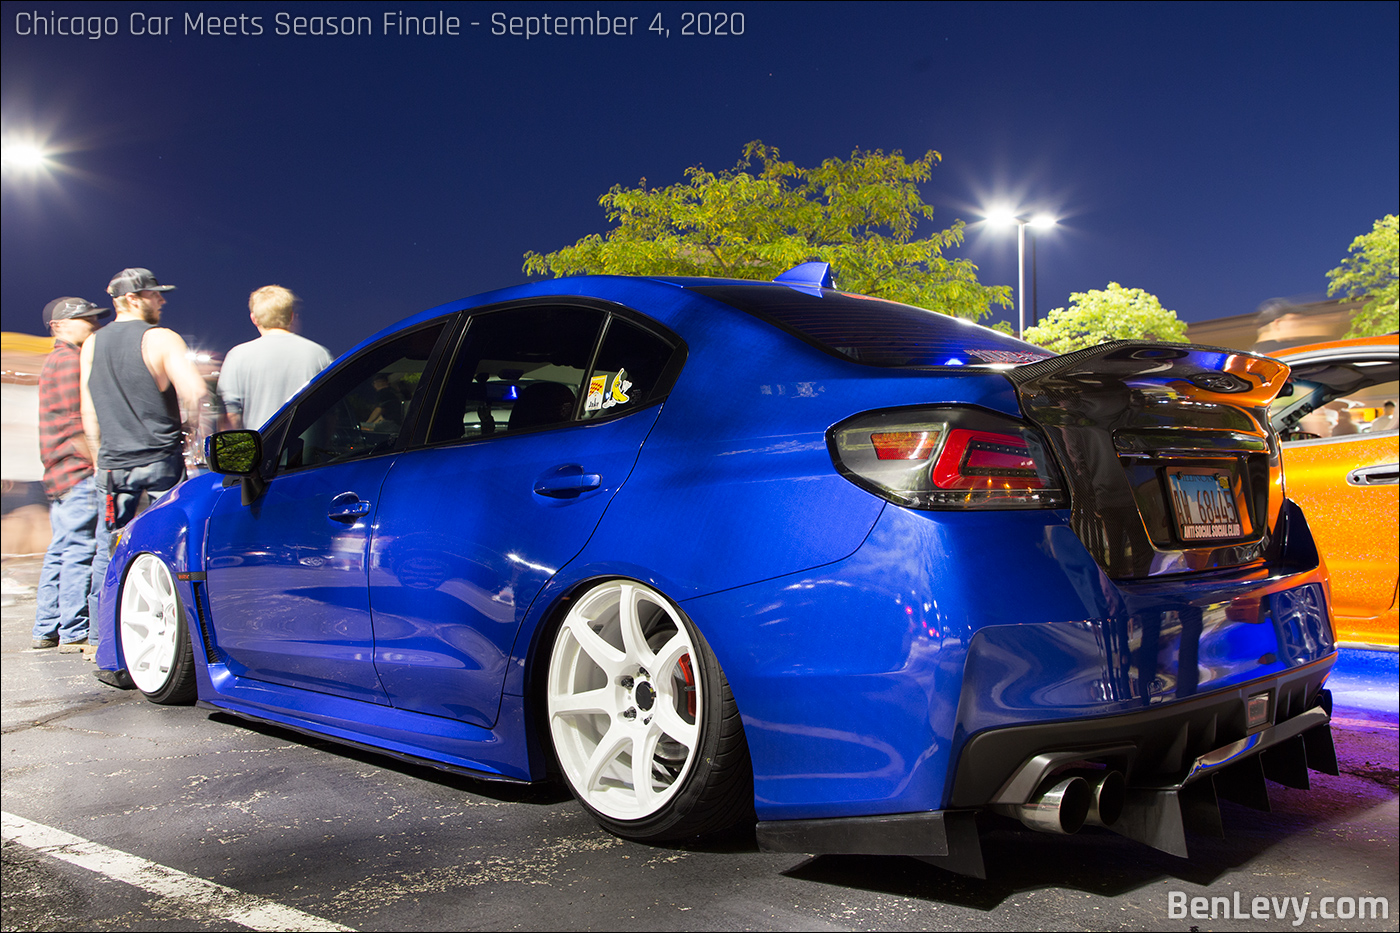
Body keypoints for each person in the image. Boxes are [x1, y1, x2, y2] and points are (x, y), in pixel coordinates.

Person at [82, 268, 207, 688]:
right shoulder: (160, 339)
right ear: (133, 298)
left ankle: (108, 653)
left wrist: (102, 455)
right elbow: (195, 391)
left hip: (113, 468)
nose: (162, 302)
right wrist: (193, 433)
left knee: (109, 553)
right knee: (165, 553)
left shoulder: (92, 344)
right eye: (156, 294)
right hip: (158, 460)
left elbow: (89, 412)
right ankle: (167, 651)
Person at [33, 298, 110, 653]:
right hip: (76, 469)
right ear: (59, 325)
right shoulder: (69, 362)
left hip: (57, 472)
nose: (92, 326)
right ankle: (74, 630)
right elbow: (74, 421)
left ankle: (45, 627)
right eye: (85, 320)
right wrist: (95, 461)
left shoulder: (54, 361)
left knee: (60, 549)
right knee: (80, 549)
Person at [217, 285, 333, 431]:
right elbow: (330, 413)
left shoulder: (237, 356)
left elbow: (231, 416)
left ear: (254, 318)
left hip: (260, 449)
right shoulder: (319, 354)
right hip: (307, 450)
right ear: (291, 316)